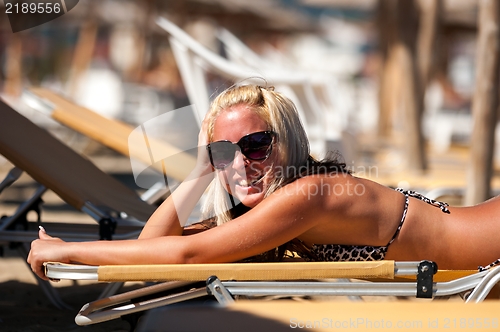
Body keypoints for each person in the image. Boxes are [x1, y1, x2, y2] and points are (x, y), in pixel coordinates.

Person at [28, 84, 500, 280]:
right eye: (222, 153)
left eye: (255, 144)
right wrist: (198, 171)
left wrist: (67, 249)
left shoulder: (309, 195)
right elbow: (156, 245)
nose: (241, 164)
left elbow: (185, 255)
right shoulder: (266, 212)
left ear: (289, 144)